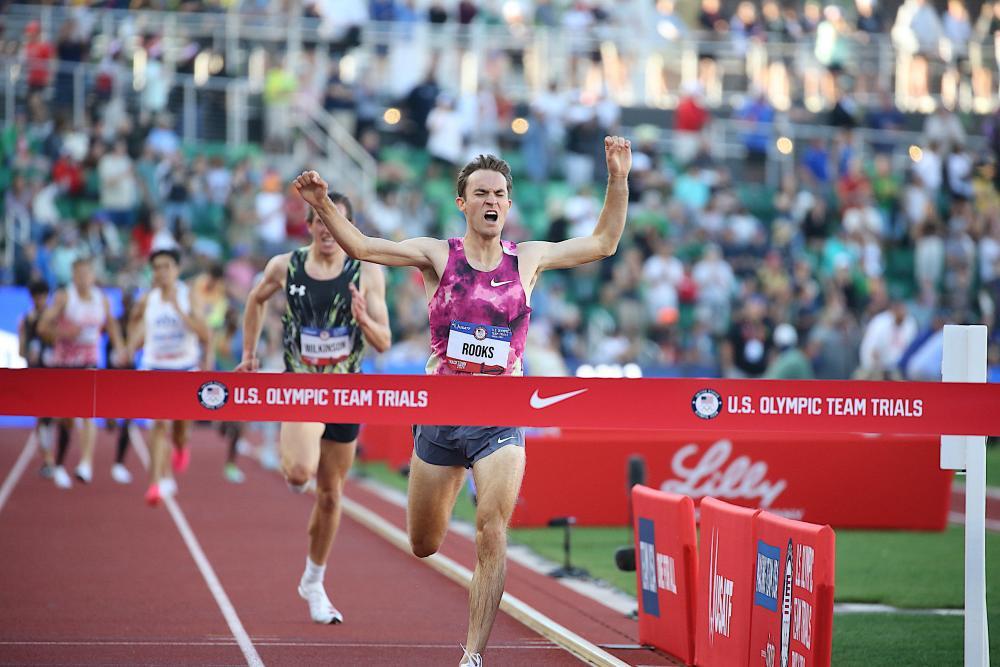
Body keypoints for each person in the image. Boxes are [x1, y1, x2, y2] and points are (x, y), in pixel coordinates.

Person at [293, 135, 632, 666]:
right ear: (463, 202)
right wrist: (321, 205)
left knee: (492, 530)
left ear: (509, 204)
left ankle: (472, 655)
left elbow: (604, 243)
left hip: (501, 414)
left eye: (500, 193)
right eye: (481, 193)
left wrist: (617, 177)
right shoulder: (437, 256)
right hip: (440, 414)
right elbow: (362, 248)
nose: (491, 201)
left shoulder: (528, 259)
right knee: (424, 542)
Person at [236, 192, 391, 625]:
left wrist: (364, 320)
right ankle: (293, 463)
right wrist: (249, 353)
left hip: (346, 392)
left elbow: (384, 342)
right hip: (302, 386)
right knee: (301, 473)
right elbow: (254, 299)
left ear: (348, 227)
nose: (327, 229)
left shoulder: (367, 271)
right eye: (320, 220)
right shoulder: (285, 266)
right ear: (309, 225)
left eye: (335, 221)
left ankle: (313, 580)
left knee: (330, 495)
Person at [126, 248, 211, 506]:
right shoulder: (147, 299)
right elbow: (133, 325)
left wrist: (179, 310)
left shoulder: (188, 296)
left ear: (177, 270)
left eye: (167, 267)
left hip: (184, 368)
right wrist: (130, 346)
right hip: (154, 368)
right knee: (158, 426)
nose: (162, 272)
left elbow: (205, 334)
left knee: (179, 431)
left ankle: (182, 445)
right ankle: (155, 482)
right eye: (158, 267)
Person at [39, 256, 126, 489]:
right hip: (64, 363)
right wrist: (66, 334)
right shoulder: (65, 297)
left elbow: (111, 325)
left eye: (87, 273)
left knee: (89, 412)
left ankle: (86, 463)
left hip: (89, 361)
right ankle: (59, 462)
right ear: (73, 275)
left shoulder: (102, 299)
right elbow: (43, 327)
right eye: (78, 274)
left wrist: (119, 348)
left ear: (93, 275)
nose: (83, 278)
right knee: (66, 418)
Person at [18, 279, 56, 478]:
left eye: (42, 296)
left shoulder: (53, 318)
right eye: (36, 296)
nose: (39, 299)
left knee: (55, 417)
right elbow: (21, 350)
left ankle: (52, 456)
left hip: (54, 373)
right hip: (35, 373)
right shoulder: (25, 319)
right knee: (42, 418)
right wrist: (26, 354)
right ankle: (48, 458)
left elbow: (59, 341)